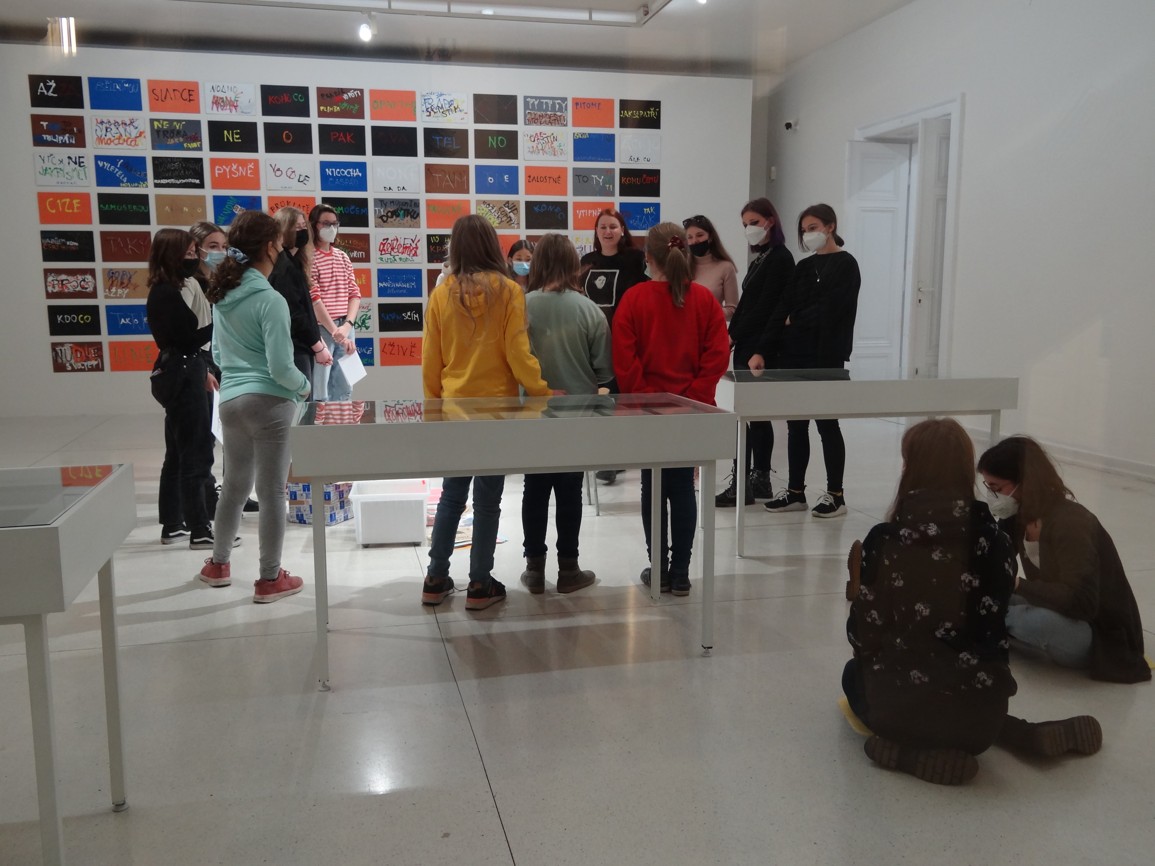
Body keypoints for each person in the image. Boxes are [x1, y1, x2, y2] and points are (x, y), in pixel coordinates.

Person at [845, 419, 1103, 785]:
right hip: (981, 720)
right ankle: (1020, 733)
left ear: (911, 469)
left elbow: (862, 636)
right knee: (963, 684)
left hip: (900, 712)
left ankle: (905, 754)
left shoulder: (886, 540)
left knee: (852, 674)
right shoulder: (997, 541)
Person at [421, 215, 554, 611]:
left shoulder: (441, 294)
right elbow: (518, 352)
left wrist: (432, 413)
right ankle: (480, 583)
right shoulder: (509, 290)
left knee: (451, 497)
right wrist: (541, 392)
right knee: (488, 501)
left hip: (453, 410)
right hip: (497, 412)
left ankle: (435, 578)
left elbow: (431, 361)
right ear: (492, 246)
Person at [199, 210, 312, 603]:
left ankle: (218, 564)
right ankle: (269, 578)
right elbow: (281, 367)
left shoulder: (222, 296)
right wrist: (304, 387)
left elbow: (216, 353)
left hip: (230, 401)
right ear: (269, 246)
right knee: (272, 491)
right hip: (271, 403)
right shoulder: (270, 299)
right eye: (279, 242)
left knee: (233, 485)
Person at [612, 222, 729, 596]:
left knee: (653, 487)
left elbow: (625, 361)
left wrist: (652, 401)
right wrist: (691, 399)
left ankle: (660, 569)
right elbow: (717, 356)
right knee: (682, 488)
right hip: (692, 413)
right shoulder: (703, 300)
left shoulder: (634, 299)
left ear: (648, 257)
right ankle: (680, 572)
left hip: (648, 414)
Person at [977, 436, 1150, 683]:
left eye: (997, 488)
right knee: (987, 594)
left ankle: (987, 621)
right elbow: (997, 562)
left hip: (1097, 633)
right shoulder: (1017, 516)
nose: (992, 496)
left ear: (1025, 483)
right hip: (1055, 607)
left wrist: (1017, 585)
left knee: (1036, 622)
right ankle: (992, 619)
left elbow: (1082, 603)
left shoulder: (1071, 523)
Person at [752, 203, 861, 518]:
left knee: (827, 424)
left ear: (830, 226)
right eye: (804, 230)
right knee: (796, 425)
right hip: (795, 355)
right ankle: (796, 492)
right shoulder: (803, 267)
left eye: (813, 228)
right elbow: (784, 307)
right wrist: (762, 348)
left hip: (827, 355)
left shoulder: (846, 264)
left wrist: (795, 319)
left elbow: (832, 309)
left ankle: (835, 494)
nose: (808, 234)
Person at [520, 234, 612, 595]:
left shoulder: (523, 306)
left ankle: (534, 568)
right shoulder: (589, 310)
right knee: (570, 492)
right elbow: (603, 371)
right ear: (574, 264)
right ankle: (569, 569)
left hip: (533, 416)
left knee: (534, 490)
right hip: (578, 416)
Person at [716, 198, 795, 507]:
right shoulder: (762, 258)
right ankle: (752, 480)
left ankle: (752, 480)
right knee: (750, 417)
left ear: (770, 221)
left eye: (754, 222)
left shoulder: (781, 258)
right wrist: (732, 335)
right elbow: (748, 305)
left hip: (758, 347)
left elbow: (768, 309)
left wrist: (753, 344)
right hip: (747, 343)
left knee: (754, 416)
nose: (749, 229)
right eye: (745, 224)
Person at [146, 228, 221, 548]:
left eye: (194, 252)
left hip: (186, 370)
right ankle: (200, 529)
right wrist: (220, 323)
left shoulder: (175, 288)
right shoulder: (166, 293)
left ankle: (173, 523)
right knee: (196, 454)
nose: (194, 258)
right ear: (171, 255)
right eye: (189, 253)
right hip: (185, 373)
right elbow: (187, 339)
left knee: (178, 453)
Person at [190, 220, 259, 517]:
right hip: (202, 365)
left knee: (234, 437)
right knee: (205, 439)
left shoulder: (225, 282)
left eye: (223, 246)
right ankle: (207, 499)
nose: (219, 252)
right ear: (197, 250)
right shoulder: (192, 285)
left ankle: (236, 492)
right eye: (212, 246)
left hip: (227, 365)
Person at [580, 208, 647, 485]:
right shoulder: (587, 261)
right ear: (596, 232)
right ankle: (601, 453)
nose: (607, 232)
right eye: (602, 227)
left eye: (613, 227)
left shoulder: (635, 259)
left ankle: (614, 458)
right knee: (598, 399)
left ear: (622, 231)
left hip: (624, 338)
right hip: (592, 339)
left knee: (618, 398)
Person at [270, 206, 332, 394]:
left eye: (304, 226)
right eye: (296, 227)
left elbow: (305, 309)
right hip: (293, 348)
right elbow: (295, 313)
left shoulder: (295, 263)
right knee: (301, 403)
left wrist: (318, 341)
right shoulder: (284, 266)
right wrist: (318, 346)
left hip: (302, 346)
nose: (302, 231)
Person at [308, 203, 359, 401]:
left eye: (334, 224)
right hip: (322, 329)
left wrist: (347, 325)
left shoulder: (342, 257)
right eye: (325, 223)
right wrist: (336, 331)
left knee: (345, 387)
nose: (331, 228)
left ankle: (343, 418)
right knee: (321, 390)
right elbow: (315, 299)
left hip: (346, 327)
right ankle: (321, 420)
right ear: (314, 225)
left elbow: (354, 294)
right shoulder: (309, 257)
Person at [682, 214, 738, 321]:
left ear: (711, 237)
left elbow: (732, 310)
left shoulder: (725, 267)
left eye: (699, 235)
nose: (695, 241)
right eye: (690, 237)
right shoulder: (682, 265)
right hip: (684, 328)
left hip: (711, 328)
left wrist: (707, 312)